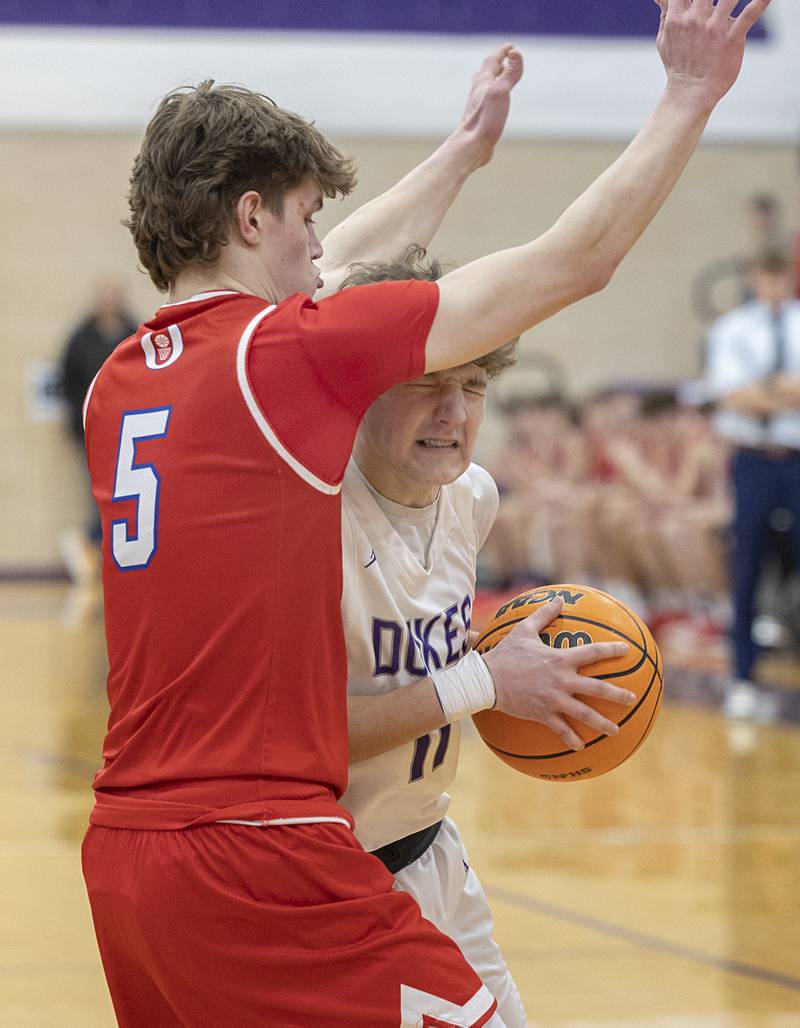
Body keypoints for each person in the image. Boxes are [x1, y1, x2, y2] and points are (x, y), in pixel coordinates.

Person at [80, 4, 771, 1024]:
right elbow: (568, 264)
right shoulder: (281, 358)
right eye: (304, 216)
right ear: (251, 215)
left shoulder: (123, 378)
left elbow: (345, 260)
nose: (319, 246)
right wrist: (685, 95)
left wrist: (460, 156)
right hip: (258, 843)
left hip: (132, 852)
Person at [339, 250, 637, 1028]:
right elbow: (297, 740)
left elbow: (426, 650)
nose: (454, 412)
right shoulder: (314, 519)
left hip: (435, 849)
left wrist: (520, 665)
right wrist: (486, 682)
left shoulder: (472, 497)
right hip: (338, 883)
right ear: (362, 385)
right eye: (428, 382)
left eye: (473, 386)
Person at [705, 247, 800, 721]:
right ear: (752, 278)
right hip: (753, 461)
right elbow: (731, 396)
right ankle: (743, 675)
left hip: (796, 458)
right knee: (746, 567)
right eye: (766, 275)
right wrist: (783, 390)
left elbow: (752, 393)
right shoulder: (733, 329)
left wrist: (763, 392)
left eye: (782, 275)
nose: (775, 284)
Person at [58, 280, 137, 582]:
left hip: (128, 428)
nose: (108, 304)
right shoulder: (80, 338)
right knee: (99, 493)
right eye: (103, 298)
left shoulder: (133, 332)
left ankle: (110, 555)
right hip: (91, 430)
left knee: (124, 493)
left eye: (113, 298)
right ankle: (95, 551)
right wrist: (78, 419)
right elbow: (67, 381)